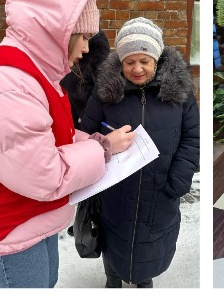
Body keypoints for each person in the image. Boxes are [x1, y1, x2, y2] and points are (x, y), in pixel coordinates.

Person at [0, 0, 135, 288]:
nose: (86, 49)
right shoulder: (7, 86)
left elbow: (54, 137)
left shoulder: (34, 75)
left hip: (25, 216)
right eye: (83, 37)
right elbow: (45, 173)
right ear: (57, 31)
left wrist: (102, 141)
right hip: (4, 229)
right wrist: (100, 149)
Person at [82, 17, 200, 288]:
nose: (137, 69)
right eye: (129, 62)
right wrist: (103, 146)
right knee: (113, 235)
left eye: (144, 61)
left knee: (151, 239)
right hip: (115, 190)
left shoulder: (178, 93)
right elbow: (86, 136)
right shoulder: (105, 93)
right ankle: (112, 279)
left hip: (161, 188)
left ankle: (144, 279)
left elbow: (192, 137)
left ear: (156, 60)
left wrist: (179, 178)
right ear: (120, 62)